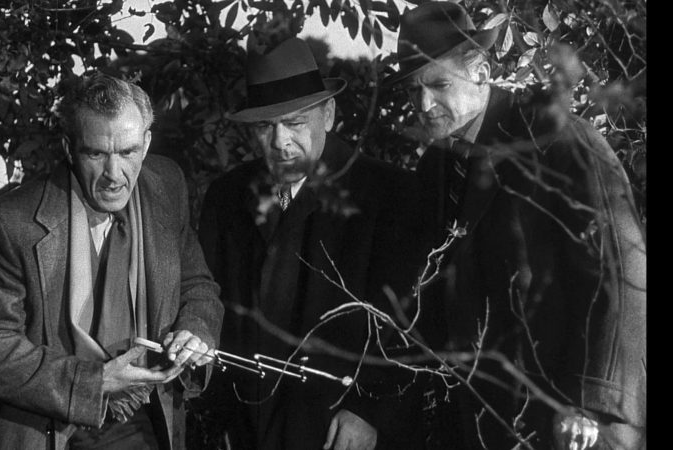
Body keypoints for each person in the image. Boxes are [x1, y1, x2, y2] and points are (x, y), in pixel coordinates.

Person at [387, 3, 646, 449]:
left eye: (439, 84)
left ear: (482, 71)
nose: (424, 104)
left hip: (579, 422)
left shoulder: (558, 138)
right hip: (490, 422)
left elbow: (622, 275)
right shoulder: (435, 169)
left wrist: (588, 402)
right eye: (413, 91)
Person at [0, 72, 224, 450]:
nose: (115, 176)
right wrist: (93, 383)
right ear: (69, 148)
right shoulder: (12, 222)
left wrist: (195, 330)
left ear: (146, 144)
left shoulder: (166, 185)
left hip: (146, 421)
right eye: (96, 153)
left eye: (128, 152)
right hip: (49, 429)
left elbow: (197, 286)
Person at [198, 37, 431, 450]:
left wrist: (368, 410)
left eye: (295, 122)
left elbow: (411, 325)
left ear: (328, 114)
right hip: (248, 432)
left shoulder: (391, 195)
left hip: (342, 433)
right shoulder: (226, 196)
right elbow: (210, 308)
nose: (281, 142)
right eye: (265, 126)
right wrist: (219, 419)